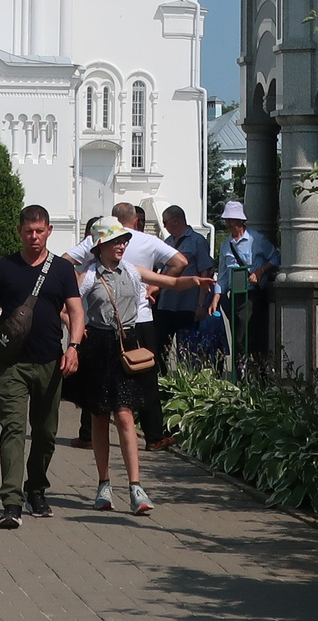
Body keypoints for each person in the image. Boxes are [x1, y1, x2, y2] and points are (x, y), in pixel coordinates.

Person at [80, 218, 207, 514]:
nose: (122, 245)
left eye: (124, 241)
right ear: (101, 246)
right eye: (116, 242)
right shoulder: (88, 276)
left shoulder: (133, 272)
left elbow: (172, 282)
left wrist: (196, 282)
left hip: (126, 345)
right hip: (98, 346)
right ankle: (103, 484)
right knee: (100, 416)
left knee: (125, 416)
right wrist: (76, 328)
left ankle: (136, 487)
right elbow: (68, 304)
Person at [0, 203, 85, 530]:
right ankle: (11, 502)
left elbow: (76, 312)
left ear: (49, 231)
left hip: (50, 362)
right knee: (13, 430)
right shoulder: (6, 267)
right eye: (28, 231)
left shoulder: (62, 271)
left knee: (46, 433)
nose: (34, 237)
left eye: (40, 231)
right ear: (19, 231)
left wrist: (73, 347)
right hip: (11, 365)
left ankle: (36, 487)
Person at [64, 200, 187, 449]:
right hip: (139, 319)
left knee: (96, 379)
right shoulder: (148, 241)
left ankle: (88, 434)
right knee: (145, 374)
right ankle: (153, 435)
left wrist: (80, 279)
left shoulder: (96, 240)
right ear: (135, 221)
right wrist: (154, 287)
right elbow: (180, 262)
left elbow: (65, 260)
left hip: (100, 322)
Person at [217, 201, 277, 370]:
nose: (229, 224)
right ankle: (241, 373)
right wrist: (217, 296)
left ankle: (256, 371)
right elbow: (222, 275)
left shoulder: (256, 239)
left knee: (250, 336)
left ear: (241, 221)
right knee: (238, 336)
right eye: (227, 220)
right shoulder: (225, 245)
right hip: (235, 296)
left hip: (253, 295)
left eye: (232, 220)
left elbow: (275, 258)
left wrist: (260, 271)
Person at [155, 205, 215, 360]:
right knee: (161, 349)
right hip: (166, 305)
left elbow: (205, 272)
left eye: (165, 222)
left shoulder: (197, 241)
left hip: (188, 306)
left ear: (175, 221)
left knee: (188, 351)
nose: (164, 226)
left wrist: (201, 305)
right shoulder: (167, 242)